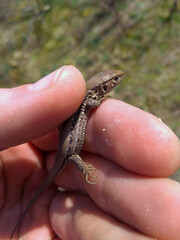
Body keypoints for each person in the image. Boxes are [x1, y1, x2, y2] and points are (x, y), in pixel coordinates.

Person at [0, 65, 179, 240]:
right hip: (70, 153)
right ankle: (84, 170)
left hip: (67, 145)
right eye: (114, 80)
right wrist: (84, 169)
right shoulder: (89, 98)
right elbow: (92, 103)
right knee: (76, 159)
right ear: (102, 86)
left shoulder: (89, 96)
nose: (117, 81)